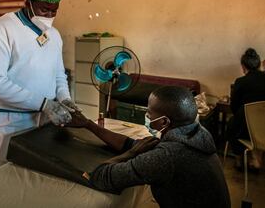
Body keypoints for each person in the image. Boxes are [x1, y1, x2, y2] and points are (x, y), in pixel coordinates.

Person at [67, 86, 231, 208]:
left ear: (164, 122)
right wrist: (88, 124)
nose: (146, 116)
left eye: (149, 113)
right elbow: (130, 144)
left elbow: (101, 177)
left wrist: (130, 154)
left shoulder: (167, 156)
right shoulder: (196, 134)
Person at [0, 0, 79, 173]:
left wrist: (64, 98)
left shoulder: (54, 35)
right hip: (10, 122)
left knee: (33, 178)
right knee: (0, 178)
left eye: (54, 11)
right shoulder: (3, 29)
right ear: (28, 1)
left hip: (44, 121)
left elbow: (59, 74)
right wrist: (43, 103)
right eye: (44, 9)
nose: (49, 16)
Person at [227, 48, 265, 169]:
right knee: (249, 122)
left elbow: (234, 107)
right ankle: (255, 158)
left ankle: (238, 159)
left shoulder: (240, 82)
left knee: (233, 123)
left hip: (246, 127)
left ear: (243, 67)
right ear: (258, 65)